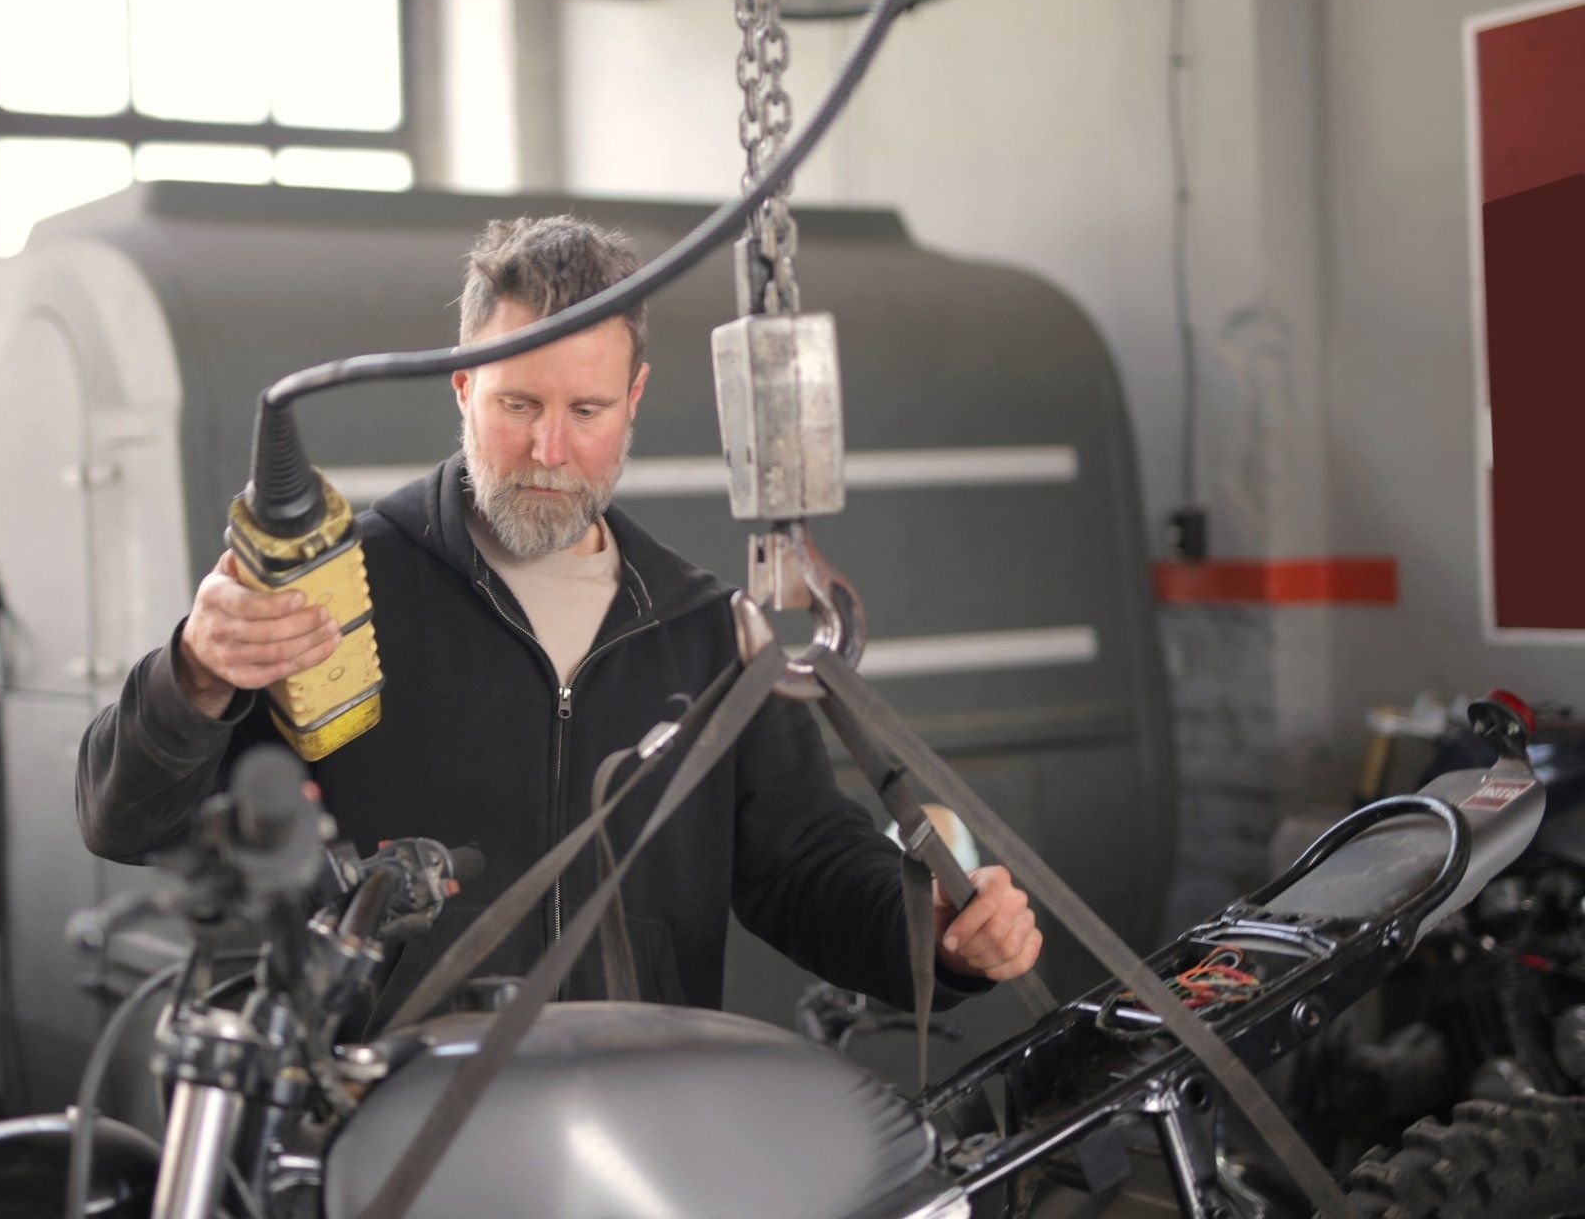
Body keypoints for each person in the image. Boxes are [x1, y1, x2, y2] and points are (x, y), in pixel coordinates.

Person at [77, 214, 1041, 1031]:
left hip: (623, 1127)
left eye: (585, 409)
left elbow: (802, 866)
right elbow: (125, 821)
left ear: (635, 402)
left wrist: (939, 942)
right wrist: (194, 676)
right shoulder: (340, 586)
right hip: (386, 1123)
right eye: (517, 404)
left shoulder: (703, 626)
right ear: (461, 390)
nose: (549, 448)